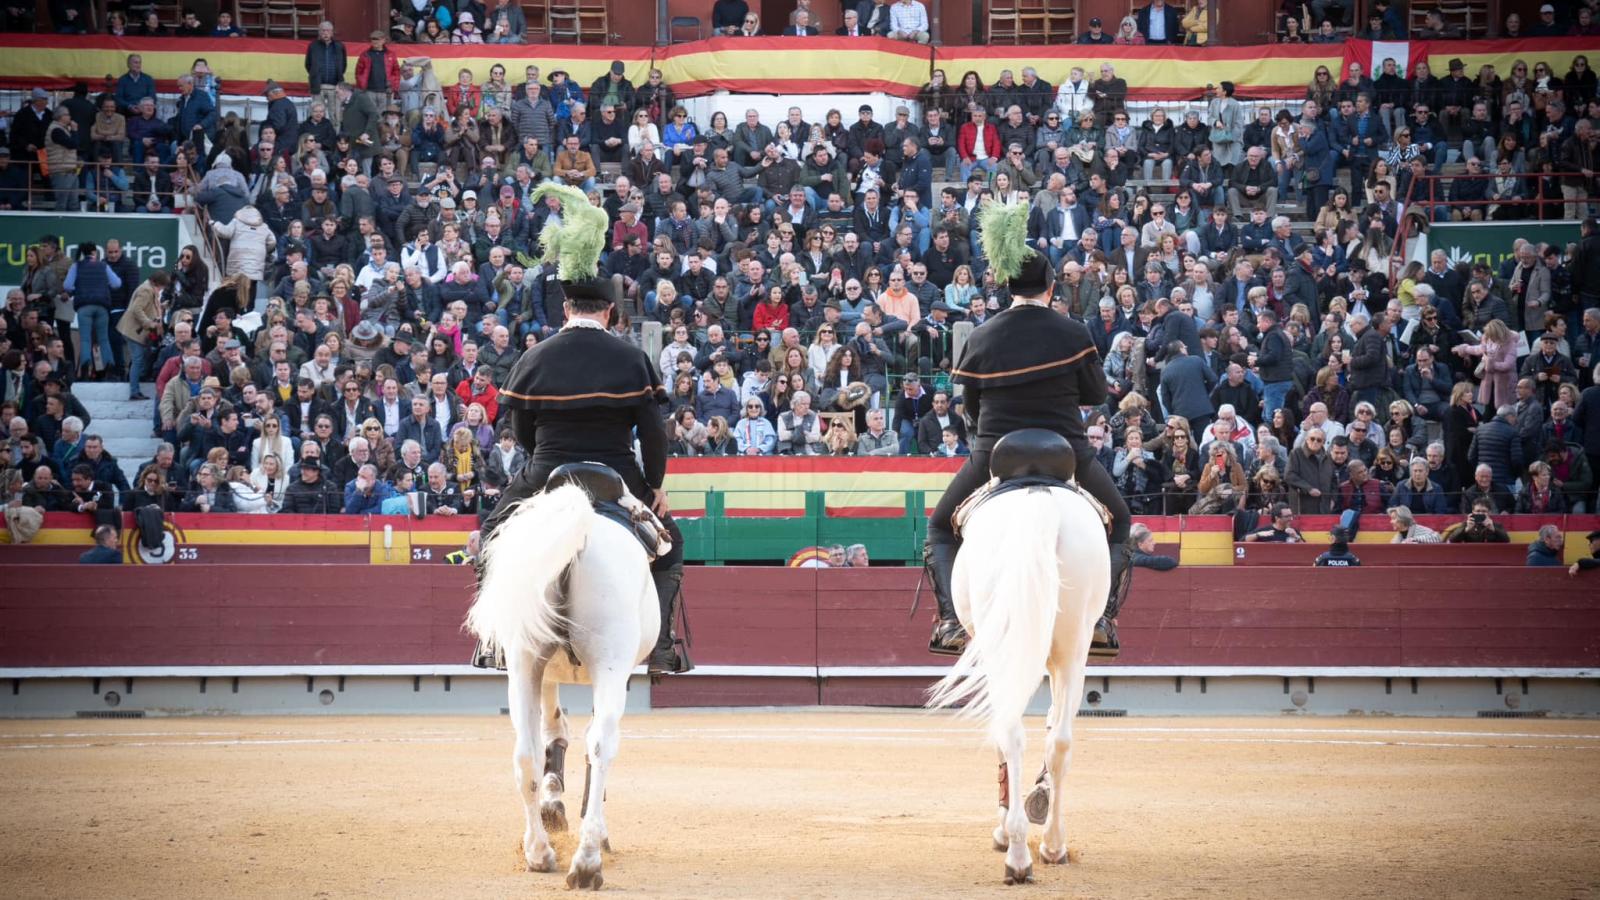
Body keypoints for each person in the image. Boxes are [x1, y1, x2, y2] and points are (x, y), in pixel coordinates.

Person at [483, 183, 689, 676]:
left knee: (492, 534)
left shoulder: (535, 357)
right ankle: (660, 644)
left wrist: (538, 465)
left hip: (549, 467)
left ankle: (492, 643)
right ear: (611, 313)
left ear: (565, 310)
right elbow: (653, 433)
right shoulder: (631, 356)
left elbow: (521, 425)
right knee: (671, 544)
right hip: (616, 473)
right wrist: (654, 486)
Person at [926, 198, 1132, 658]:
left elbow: (972, 406)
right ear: (1051, 285)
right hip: (1068, 453)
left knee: (940, 529)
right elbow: (1096, 395)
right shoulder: (1074, 332)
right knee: (1120, 524)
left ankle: (951, 623)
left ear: (1005, 284)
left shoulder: (981, 336)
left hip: (996, 452)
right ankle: (1101, 620)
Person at [1443, 500, 1511, 543]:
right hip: (1471, 557)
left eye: (1484, 511)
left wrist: (1493, 528)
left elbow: (1506, 540)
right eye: (1478, 511)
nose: (1480, 514)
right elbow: (1452, 540)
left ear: (1489, 512)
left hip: (1492, 557)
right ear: (1473, 512)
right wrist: (1466, 529)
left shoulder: (1496, 525)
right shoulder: (1466, 524)